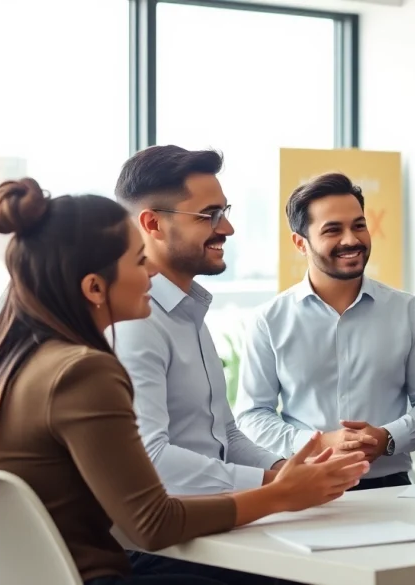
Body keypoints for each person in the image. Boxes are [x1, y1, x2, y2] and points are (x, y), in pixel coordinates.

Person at [0, 178, 368, 585]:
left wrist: (283, 480)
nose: (150, 274)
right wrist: (281, 493)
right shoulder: (83, 371)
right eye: (140, 261)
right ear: (94, 287)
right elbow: (152, 522)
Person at [234, 172, 415, 490]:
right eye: (333, 230)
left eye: (359, 225)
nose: (351, 239)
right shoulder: (270, 320)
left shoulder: (408, 310)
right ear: (300, 242)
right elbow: (252, 415)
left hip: (391, 488)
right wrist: (316, 444)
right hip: (305, 485)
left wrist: (388, 437)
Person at [113, 146, 286, 498]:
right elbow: (151, 459)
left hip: (214, 521)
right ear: (153, 224)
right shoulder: (136, 323)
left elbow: (225, 436)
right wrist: (276, 486)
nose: (228, 227)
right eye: (209, 215)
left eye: (225, 212)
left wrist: (284, 468)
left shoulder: (189, 311)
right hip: (172, 538)